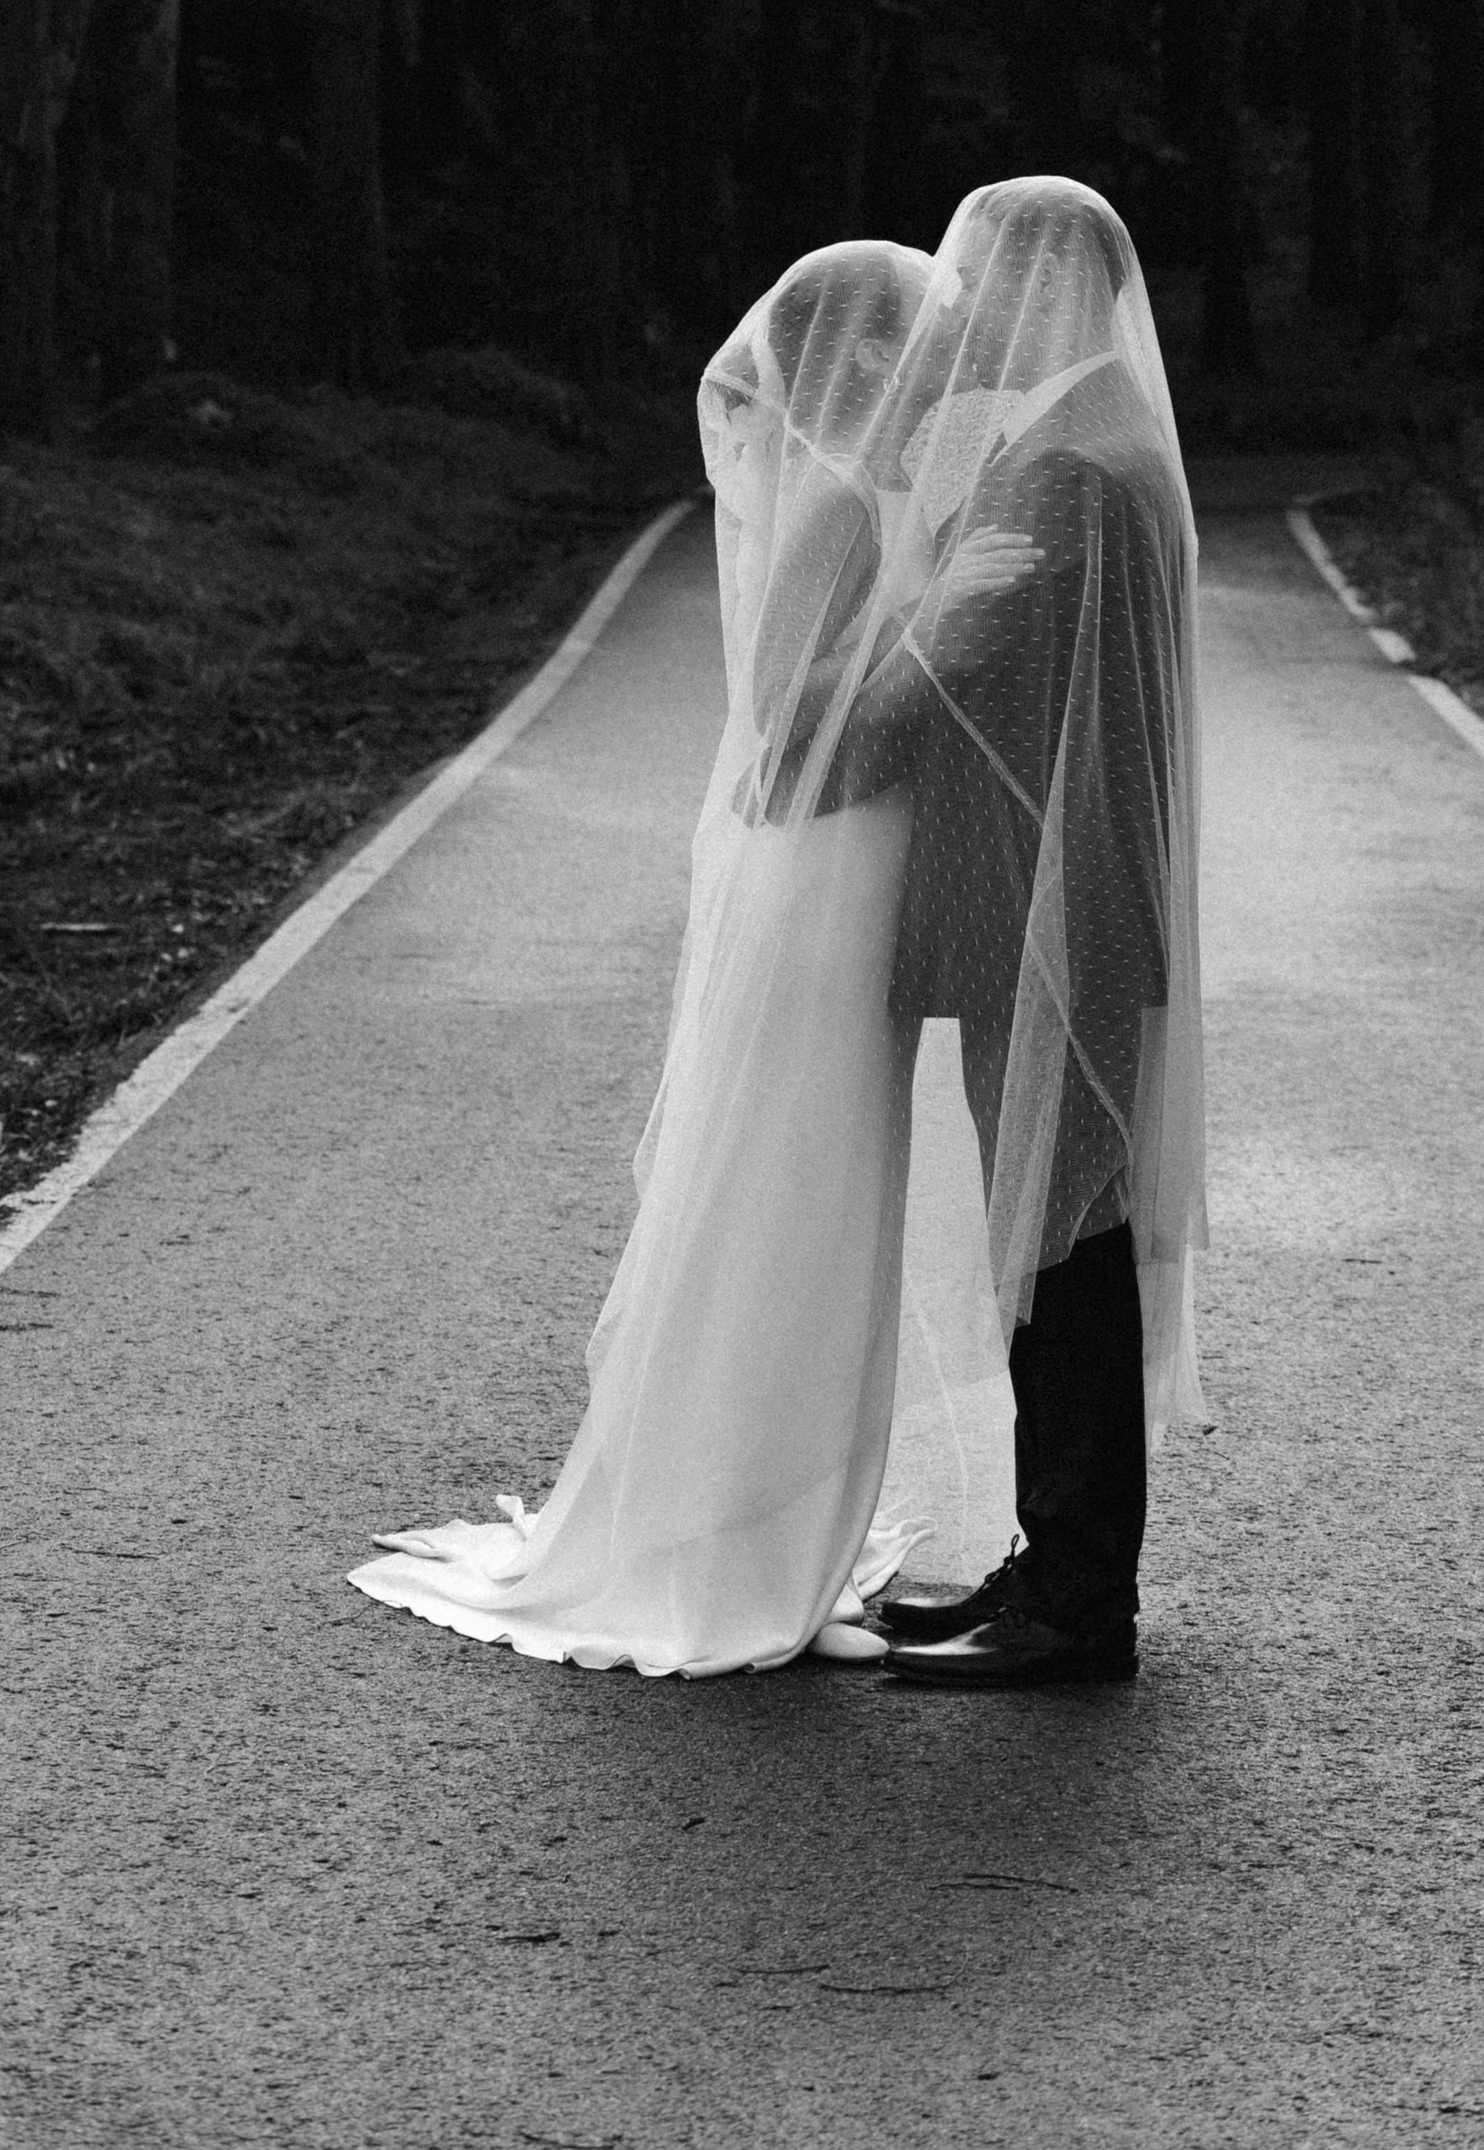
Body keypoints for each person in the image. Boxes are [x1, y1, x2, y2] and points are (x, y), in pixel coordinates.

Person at [349, 237, 973, 1674]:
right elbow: (790, 720)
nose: (944, 369)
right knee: (788, 1187)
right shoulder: (834, 503)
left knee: (829, 1191)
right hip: (821, 877)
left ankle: (785, 1523)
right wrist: (938, 659)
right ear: (866, 359)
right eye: (923, 345)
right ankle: (732, 1537)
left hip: (850, 872)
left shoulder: (868, 488)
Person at [845, 175, 1209, 1690]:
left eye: (975, 278)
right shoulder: (1093, 430)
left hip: (1047, 905)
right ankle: (1054, 1561)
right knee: (1056, 1234)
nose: (952, 307)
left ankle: (1075, 1599)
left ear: (1039, 287)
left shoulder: (1064, 464)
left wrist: (840, 712)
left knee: (1061, 1245)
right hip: (1064, 896)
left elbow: (926, 697)